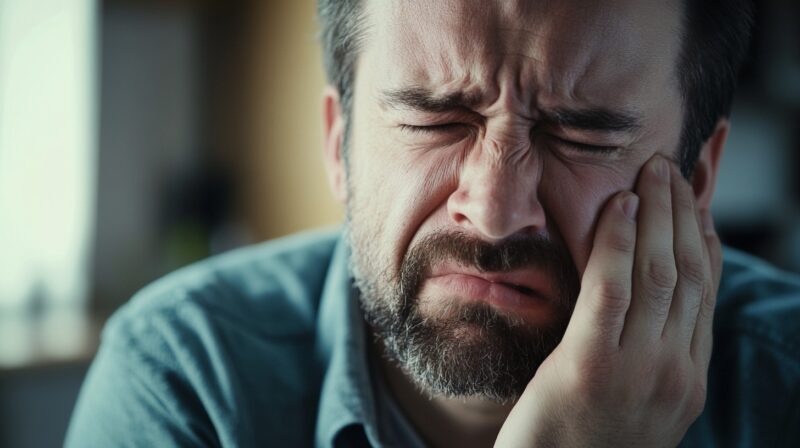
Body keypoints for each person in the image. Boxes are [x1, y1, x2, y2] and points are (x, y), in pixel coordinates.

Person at [66, 0, 800, 446]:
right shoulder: (185, 385)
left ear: (697, 178)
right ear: (338, 145)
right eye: (435, 119)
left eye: (583, 136)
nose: (495, 211)